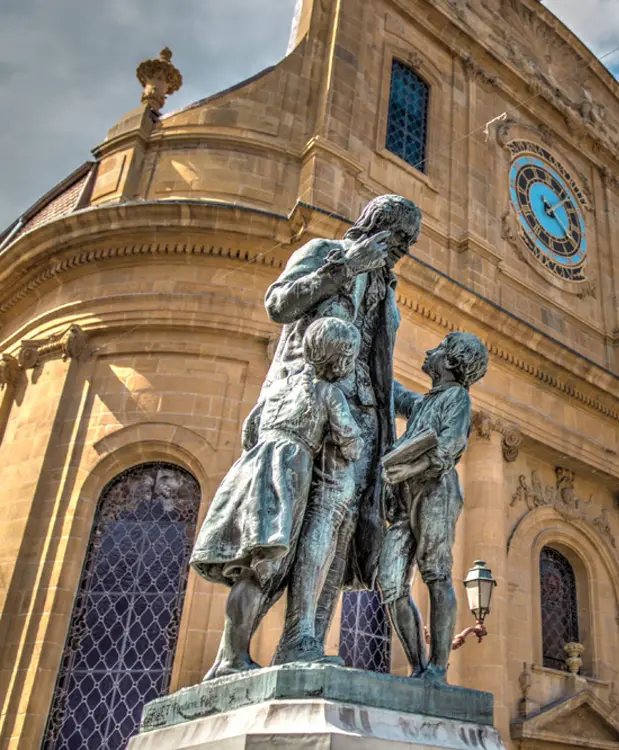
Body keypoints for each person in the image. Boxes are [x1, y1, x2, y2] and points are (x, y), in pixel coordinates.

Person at [255, 195, 422, 665]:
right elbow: (278, 303)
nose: (404, 250)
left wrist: (414, 403)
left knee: (343, 531)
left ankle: (304, 640)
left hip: (366, 417)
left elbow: (377, 365)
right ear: (375, 225)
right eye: (400, 237)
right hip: (314, 404)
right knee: (305, 523)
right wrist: (344, 266)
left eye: (410, 242)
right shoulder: (324, 251)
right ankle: (290, 635)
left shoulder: (387, 291)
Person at [190, 317, 362, 679]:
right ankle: (236, 657)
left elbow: (249, 429)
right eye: (348, 354)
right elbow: (351, 441)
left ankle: (230, 657)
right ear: (337, 357)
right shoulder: (326, 392)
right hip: (290, 473)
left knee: (251, 568)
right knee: (269, 562)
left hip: (253, 468)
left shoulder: (278, 387)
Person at [377, 332, 489, 682]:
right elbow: (397, 395)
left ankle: (437, 670)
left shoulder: (457, 398)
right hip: (404, 499)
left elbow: (449, 447)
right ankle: (418, 667)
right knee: (391, 583)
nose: (429, 350)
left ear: (451, 362)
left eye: (439, 349)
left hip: (435, 493)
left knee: (436, 574)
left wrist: (403, 466)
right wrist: (372, 356)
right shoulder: (427, 401)